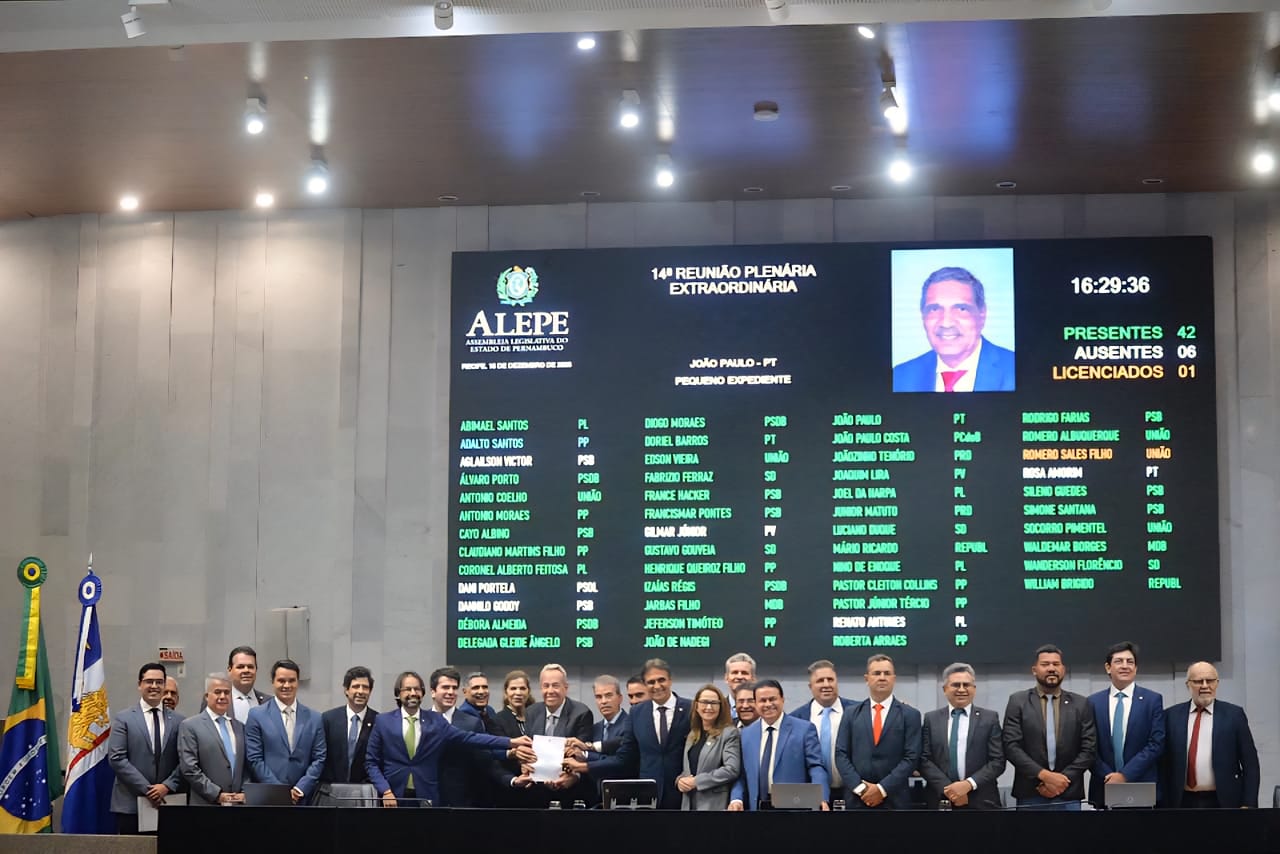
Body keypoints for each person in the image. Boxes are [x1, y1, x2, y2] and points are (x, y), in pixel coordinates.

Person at [365, 670, 530, 808]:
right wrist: (385, 791)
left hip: (430, 798)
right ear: (398, 694)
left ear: (423, 692)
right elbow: (371, 761)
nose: (413, 693)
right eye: (407, 689)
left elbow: (472, 738)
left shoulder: (435, 721)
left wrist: (511, 742)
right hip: (393, 796)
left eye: (416, 689)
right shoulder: (383, 721)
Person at [1003, 644, 1097, 809]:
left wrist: (1061, 780)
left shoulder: (1081, 704)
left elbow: (1089, 749)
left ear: (1063, 669)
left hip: (1068, 792)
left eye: (1056, 664)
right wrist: (1044, 776)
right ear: (1034, 670)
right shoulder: (1018, 701)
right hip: (1030, 793)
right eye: (1045, 664)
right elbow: (1011, 746)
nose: (1051, 669)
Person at [892, 266, 1015, 393]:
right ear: (923, 316)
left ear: (982, 314)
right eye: (934, 309)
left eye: (961, 309)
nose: (946, 323)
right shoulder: (900, 377)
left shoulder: (1016, 369)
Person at [1160, 661, 1259, 809]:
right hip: (1181, 802)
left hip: (1224, 802)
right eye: (1199, 681)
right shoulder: (1170, 716)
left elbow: (1250, 764)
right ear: (1188, 684)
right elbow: (1162, 764)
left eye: (1210, 680)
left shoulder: (1234, 715)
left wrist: (1248, 803)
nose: (1205, 686)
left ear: (1217, 683)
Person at [833, 654, 921, 809]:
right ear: (866, 678)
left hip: (895, 800)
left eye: (887, 673)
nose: (882, 678)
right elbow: (841, 754)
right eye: (876, 673)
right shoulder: (851, 713)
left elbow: (911, 758)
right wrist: (861, 788)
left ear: (894, 678)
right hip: (857, 799)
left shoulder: (910, 715)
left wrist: (881, 789)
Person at [107, 663, 184, 833]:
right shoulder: (124, 718)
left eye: (159, 682)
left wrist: (167, 786)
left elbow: (185, 759)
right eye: (149, 681)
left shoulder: (179, 721)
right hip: (130, 804)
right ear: (139, 684)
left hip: (168, 802)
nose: (154, 686)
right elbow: (117, 758)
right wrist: (148, 790)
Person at [1087, 641, 1165, 808]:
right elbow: (1089, 746)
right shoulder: (1093, 702)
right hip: (1104, 784)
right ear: (1108, 667)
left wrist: (1124, 775)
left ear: (1136, 668)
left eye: (1130, 662)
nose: (1125, 666)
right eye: (1119, 661)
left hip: (1141, 784)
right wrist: (1109, 776)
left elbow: (1156, 744)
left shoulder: (1152, 700)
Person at [729, 679, 828, 810]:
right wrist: (736, 799)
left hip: (794, 808)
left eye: (772, 699)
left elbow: (816, 767)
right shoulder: (746, 734)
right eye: (762, 700)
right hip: (757, 808)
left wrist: (820, 797)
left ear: (782, 699)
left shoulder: (804, 729)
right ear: (756, 703)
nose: (768, 704)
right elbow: (741, 775)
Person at [919, 662, 1005, 810]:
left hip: (982, 800)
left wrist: (968, 785)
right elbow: (923, 759)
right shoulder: (931, 719)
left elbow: (998, 761)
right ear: (945, 689)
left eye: (966, 685)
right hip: (941, 800)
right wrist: (950, 789)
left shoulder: (989, 718)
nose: (961, 689)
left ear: (974, 689)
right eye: (955, 685)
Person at [244, 658, 326, 804]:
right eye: (281, 681)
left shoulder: (315, 718)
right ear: (273, 682)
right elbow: (254, 758)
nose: (286, 685)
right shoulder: (257, 715)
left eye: (291, 680)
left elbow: (319, 758)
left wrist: (300, 788)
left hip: (303, 798)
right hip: (268, 797)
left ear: (297, 683)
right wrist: (280, 791)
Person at [522, 663, 595, 806]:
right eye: (546, 686)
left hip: (570, 790)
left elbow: (582, 756)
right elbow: (529, 750)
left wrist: (575, 777)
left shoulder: (581, 713)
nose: (550, 691)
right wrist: (525, 766)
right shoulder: (531, 712)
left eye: (555, 685)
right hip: (537, 790)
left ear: (565, 688)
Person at [177, 673, 247, 805]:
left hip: (237, 805)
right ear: (207, 696)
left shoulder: (240, 727)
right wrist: (217, 794)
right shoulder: (190, 726)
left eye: (227, 693)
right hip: (205, 804)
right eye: (217, 692)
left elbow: (246, 766)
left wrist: (244, 792)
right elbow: (189, 768)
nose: (222, 697)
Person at [563, 674, 637, 800]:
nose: (603, 701)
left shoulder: (631, 726)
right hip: (594, 800)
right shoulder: (594, 729)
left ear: (620, 698)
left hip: (623, 798)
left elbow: (618, 762)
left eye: (608, 695)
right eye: (598, 697)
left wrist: (586, 755)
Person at [631, 658, 691, 809]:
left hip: (683, 793)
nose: (657, 686)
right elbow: (627, 750)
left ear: (670, 680)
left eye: (661, 680)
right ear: (645, 685)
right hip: (648, 796)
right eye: (651, 682)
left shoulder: (691, 709)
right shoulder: (636, 713)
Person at [789, 659, 856, 792]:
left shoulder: (858, 711)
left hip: (853, 792)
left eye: (830, 680)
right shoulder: (795, 719)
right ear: (810, 686)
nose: (826, 685)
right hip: (812, 793)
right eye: (820, 681)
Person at [430, 666, 491, 806]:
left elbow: (484, 762)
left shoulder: (472, 723)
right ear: (433, 692)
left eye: (454, 688)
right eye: (445, 687)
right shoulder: (422, 720)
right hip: (429, 799)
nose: (451, 692)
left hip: (462, 801)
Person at [318, 666, 378, 802]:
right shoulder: (328, 719)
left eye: (365, 687)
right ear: (346, 689)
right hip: (331, 793)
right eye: (356, 686)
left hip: (364, 794)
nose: (360, 691)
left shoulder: (378, 721)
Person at [677, 685, 741, 811]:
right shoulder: (692, 735)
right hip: (688, 804)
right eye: (704, 702)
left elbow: (732, 769)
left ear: (721, 706)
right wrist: (680, 781)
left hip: (714, 806)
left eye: (714, 703)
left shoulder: (729, 733)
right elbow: (688, 769)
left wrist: (697, 781)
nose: (709, 707)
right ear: (696, 706)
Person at [723, 652, 756, 719]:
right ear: (726, 678)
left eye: (744, 673)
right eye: (735, 672)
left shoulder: (762, 709)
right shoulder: (718, 709)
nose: (739, 677)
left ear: (753, 679)